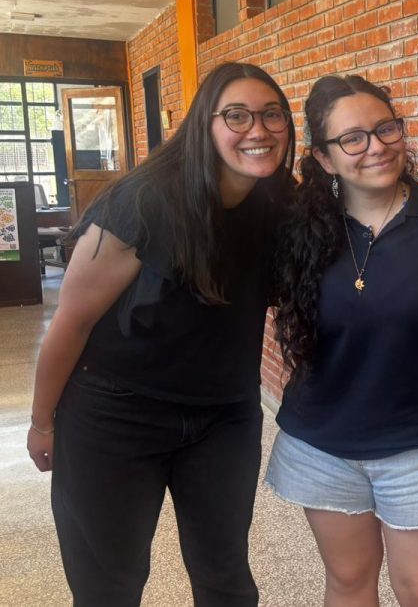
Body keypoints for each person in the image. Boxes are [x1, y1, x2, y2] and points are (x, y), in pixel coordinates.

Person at [26, 61, 295, 606]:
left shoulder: (280, 203)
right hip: (116, 413)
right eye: (237, 116)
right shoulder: (144, 201)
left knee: (226, 579)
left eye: (272, 115)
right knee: (108, 584)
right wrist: (42, 421)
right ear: (204, 124)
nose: (258, 130)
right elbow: (72, 321)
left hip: (223, 416)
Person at [266, 75, 418, 607]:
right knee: (349, 581)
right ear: (325, 158)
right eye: (352, 139)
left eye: (385, 129)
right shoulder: (299, 228)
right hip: (324, 443)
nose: (376, 147)